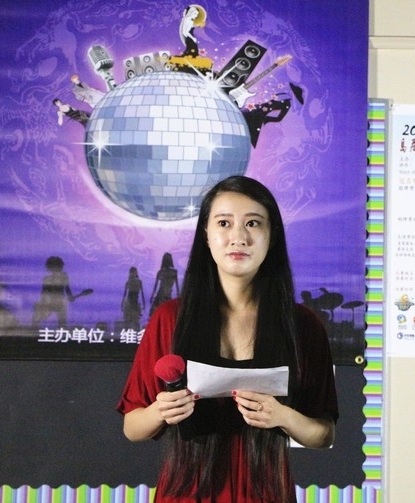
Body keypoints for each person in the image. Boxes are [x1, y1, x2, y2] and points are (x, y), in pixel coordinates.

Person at [117, 175, 338, 502]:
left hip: (267, 494)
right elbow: (132, 427)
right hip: (185, 494)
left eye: (253, 223)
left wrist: (283, 417)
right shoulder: (170, 319)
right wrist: (161, 411)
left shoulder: (303, 325)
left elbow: (324, 435)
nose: (238, 237)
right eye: (224, 223)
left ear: (272, 237)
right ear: (206, 235)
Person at [149, 252, 180, 316]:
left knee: (156, 313)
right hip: (168, 294)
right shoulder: (174, 272)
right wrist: (178, 297)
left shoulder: (160, 272)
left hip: (161, 295)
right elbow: (177, 288)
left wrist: (152, 296)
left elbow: (155, 287)